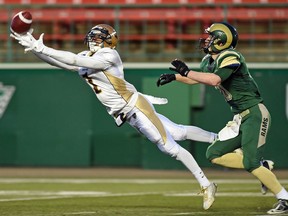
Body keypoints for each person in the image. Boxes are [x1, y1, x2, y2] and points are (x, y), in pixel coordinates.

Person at [11, 24, 217, 210]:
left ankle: (206, 184)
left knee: (169, 147)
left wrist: (43, 48)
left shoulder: (109, 56)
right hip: (129, 112)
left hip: (135, 107)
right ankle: (219, 138)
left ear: (109, 40)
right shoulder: (89, 55)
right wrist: (35, 49)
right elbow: (62, 64)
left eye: (99, 37)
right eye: (93, 36)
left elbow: (73, 59)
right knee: (178, 132)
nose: (94, 40)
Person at [156, 21, 288, 214]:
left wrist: (185, 71)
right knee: (214, 155)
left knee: (250, 162)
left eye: (211, 37)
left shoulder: (230, 55)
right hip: (240, 117)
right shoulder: (209, 60)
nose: (207, 40)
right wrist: (176, 77)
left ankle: (284, 197)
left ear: (221, 40)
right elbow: (197, 78)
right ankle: (263, 165)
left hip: (254, 113)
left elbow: (215, 80)